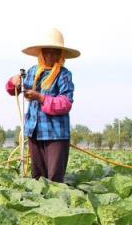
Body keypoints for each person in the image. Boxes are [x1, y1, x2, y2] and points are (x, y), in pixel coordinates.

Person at [5, 28, 80, 183]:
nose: (49, 56)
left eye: (54, 53)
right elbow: (14, 90)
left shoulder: (64, 74)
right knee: (38, 177)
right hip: (34, 131)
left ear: (60, 55)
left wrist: (40, 97)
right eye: (46, 52)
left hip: (56, 133)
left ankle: (56, 203)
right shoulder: (32, 72)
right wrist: (14, 81)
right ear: (41, 53)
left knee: (54, 178)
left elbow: (65, 103)